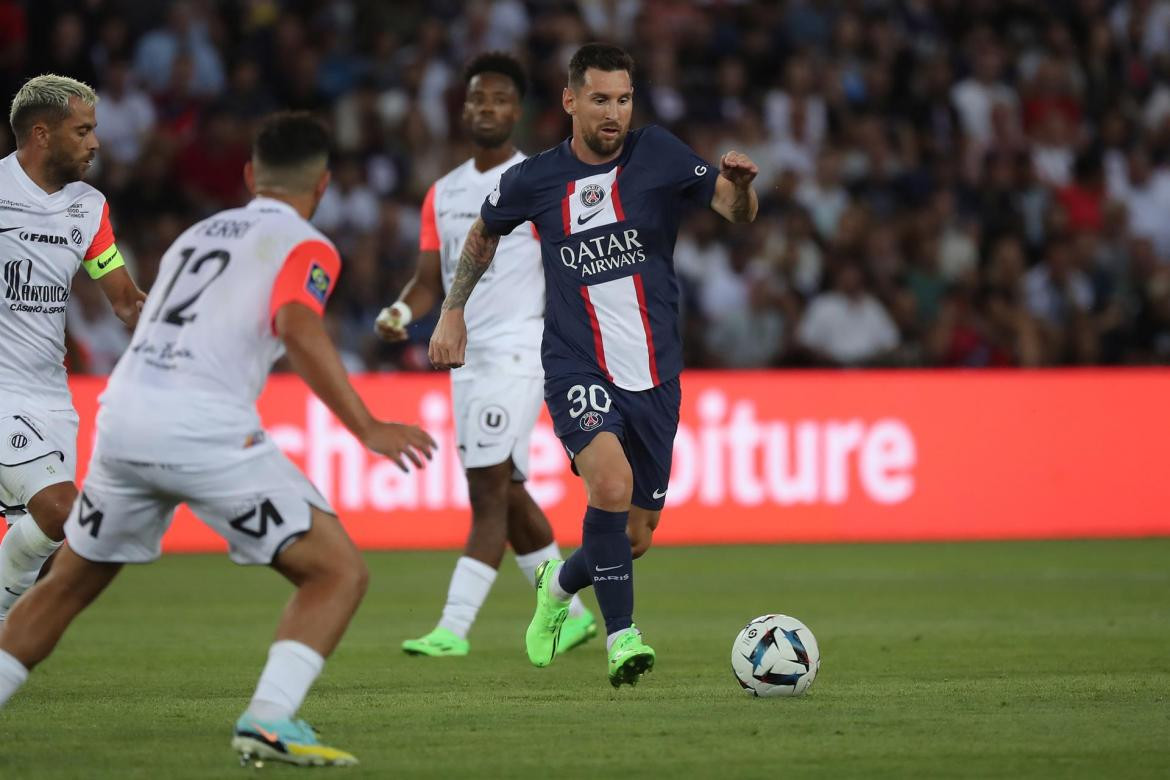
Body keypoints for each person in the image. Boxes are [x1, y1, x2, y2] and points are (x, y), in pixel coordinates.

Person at [0, 112, 437, 768]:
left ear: (247, 176)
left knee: (66, 586)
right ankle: (268, 721)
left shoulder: (195, 235)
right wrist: (367, 425)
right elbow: (296, 324)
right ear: (321, 187)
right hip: (202, 427)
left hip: (123, 417)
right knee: (337, 572)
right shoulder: (308, 244)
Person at [429, 43, 759, 687]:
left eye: (625, 99)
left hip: (656, 372)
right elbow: (484, 231)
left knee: (632, 536)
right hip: (577, 364)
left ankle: (557, 585)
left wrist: (743, 189)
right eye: (601, 100)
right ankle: (622, 637)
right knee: (606, 485)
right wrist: (453, 310)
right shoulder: (536, 179)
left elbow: (731, 209)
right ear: (571, 100)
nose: (614, 113)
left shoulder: (657, 152)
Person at [375, 52, 596, 658]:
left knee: (487, 491)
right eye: (478, 99)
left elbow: (572, 266)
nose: (488, 108)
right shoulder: (442, 193)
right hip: (462, 359)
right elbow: (429, 279)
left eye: (499, 99)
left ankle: (453, 627)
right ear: (465, 108)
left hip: (521, 353)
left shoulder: (542, 181)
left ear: (517, 110)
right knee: (510, 487)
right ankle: (571, 613)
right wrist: (402, 310)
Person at [0, 74, 146, 622]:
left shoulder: (88, 208)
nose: (95, 143)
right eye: (82, 131)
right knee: (62, 509)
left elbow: (126, 301)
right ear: (41, 134)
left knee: (47, 556)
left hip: (51, 399)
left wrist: (184, 327)